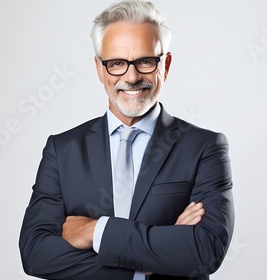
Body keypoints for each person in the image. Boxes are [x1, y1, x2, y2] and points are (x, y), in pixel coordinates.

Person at [19, 0, 234, 279]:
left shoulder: (205, 147)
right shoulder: (62, 150)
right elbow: (35, 255)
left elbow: (205, 252)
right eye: (117, 63)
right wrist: (152, 263)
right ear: (99, 69)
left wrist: (96, 231)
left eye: (145, 61)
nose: (131, 77)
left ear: (165, 65)